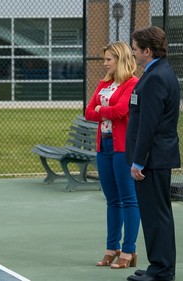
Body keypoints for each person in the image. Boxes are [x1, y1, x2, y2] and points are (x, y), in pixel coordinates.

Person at [126, 26, 180, 281]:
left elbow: (149, 124)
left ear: (147, 51)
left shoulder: (156, 77)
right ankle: (159, 266)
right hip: (156, 157)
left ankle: (161, 270)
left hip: (153, 159)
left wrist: (138, 161)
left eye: (136, 49)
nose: (133, 53)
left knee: (156, 214)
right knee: (157, 214)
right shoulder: (159, 72)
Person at [85, 41, 140, 269]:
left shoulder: (132, 83)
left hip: (122, 149)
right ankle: (112, 248)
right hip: (104, 147)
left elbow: (120, 111)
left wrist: (101, 110)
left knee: (128, 199)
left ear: (121, 59)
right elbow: (88, 112)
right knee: (112, 200)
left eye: (109, 59)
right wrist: (101, 112)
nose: (105, 63)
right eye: (105, 59)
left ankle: (129, 250)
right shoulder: (103, 83)